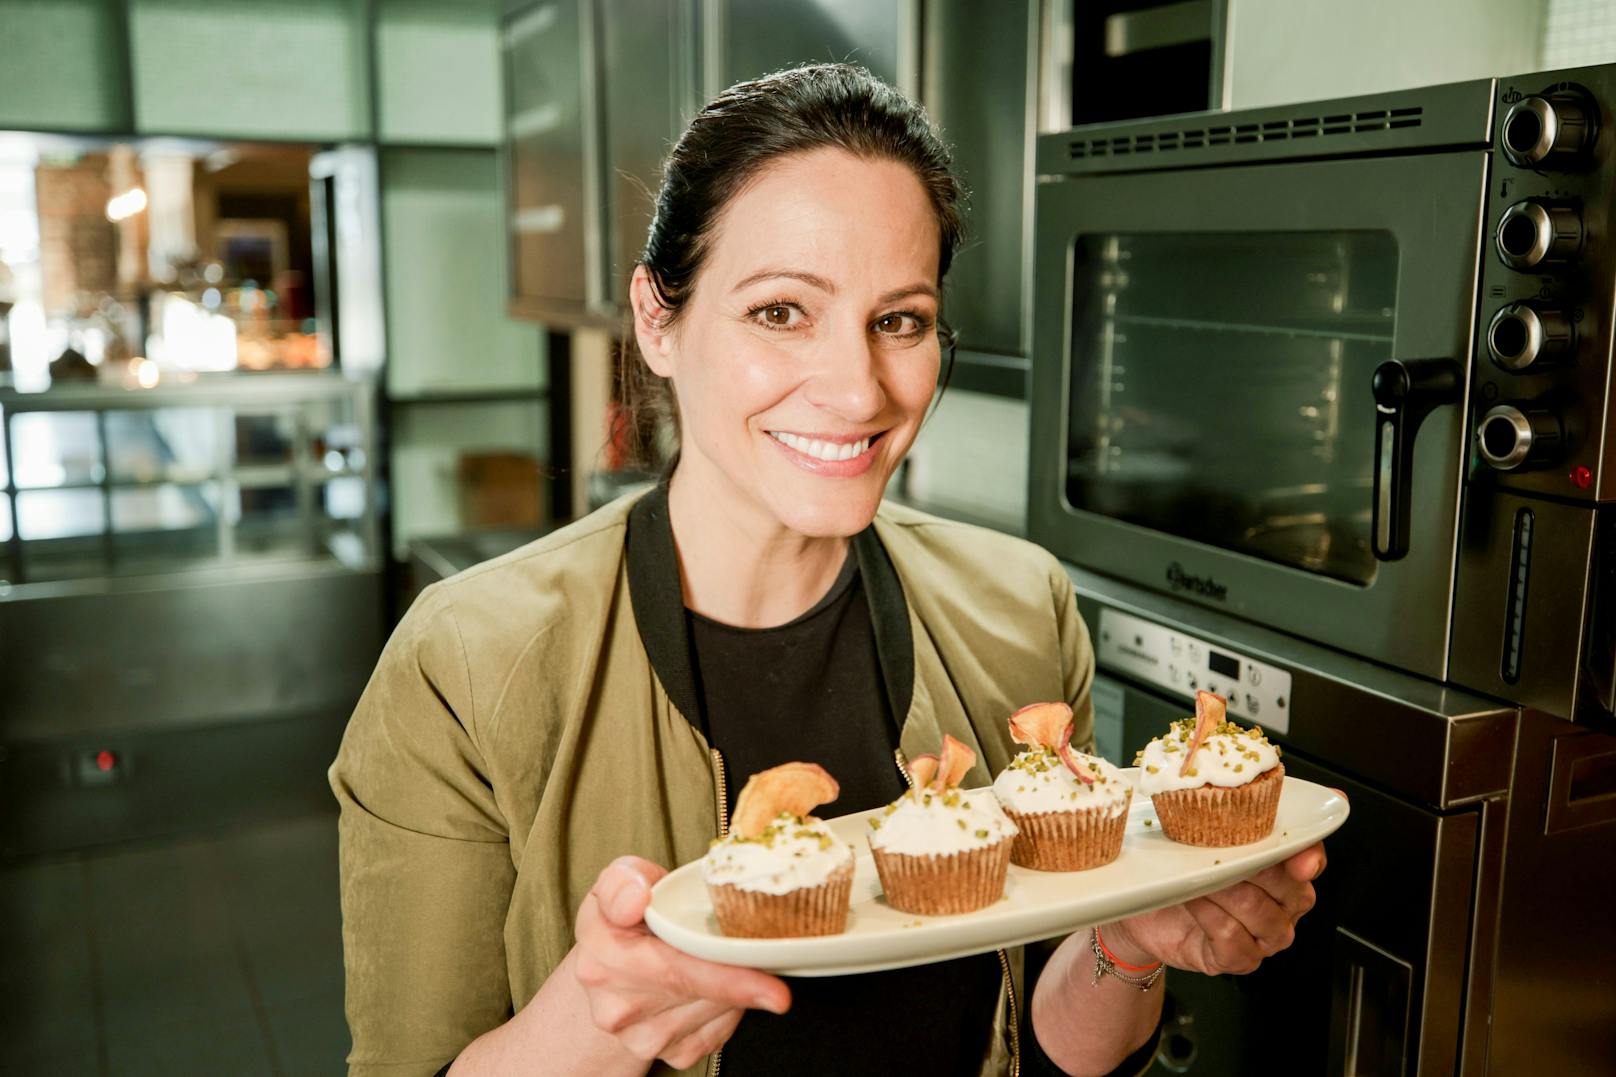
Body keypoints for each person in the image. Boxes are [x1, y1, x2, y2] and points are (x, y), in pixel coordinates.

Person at [330, 63, 1330, 1077]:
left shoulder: (1018, 610)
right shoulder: (465, 664)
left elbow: (1056, 1047)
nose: (856, 391)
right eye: (778, 312)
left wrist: (1128, 943)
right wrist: (601, 1015)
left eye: (899, 320)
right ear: (655, 320)